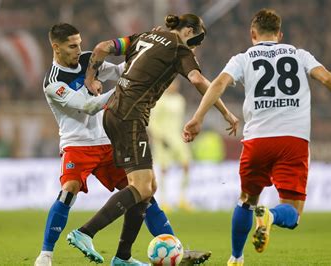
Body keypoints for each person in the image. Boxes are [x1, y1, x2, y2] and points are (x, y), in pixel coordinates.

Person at [182, 9, 331, 266]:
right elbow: (326, 78)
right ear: (280, 34)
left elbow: (219, 84)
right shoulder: (299, 55)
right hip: (293, 140)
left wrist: (198, 117)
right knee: (292, 214)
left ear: (252, 34)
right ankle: (269, 216)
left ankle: (236, 257)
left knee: (246, 200)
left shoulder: (243, 58)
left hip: (257, 140)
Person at [66, 14, 238, 265]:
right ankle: (85, 232)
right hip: (130, 117)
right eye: (198, 40)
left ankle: (123, 257)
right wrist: (225, 112)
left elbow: (103, 47)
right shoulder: (179, 48)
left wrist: (91, 78)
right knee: (142, 187)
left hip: (114, 113)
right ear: (189, 30)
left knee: (148, 188)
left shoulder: (142, 36)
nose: (197, 46)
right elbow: (199, 80)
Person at [34, 23, 207, 266]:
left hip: (108, 140)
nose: (79, 49)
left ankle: (166, 250)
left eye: (80, 43)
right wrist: (126, 92)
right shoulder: (53, 82)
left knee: (143, 192)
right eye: (72, 46)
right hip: (78, 144)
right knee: (69, 189)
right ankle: (46, 255)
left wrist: (149, 52)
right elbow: (88, 106)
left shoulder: (87, 61)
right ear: (56, 47)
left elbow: (119, 71)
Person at [148, 78, 193, 210]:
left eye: (175, 83)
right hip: (163, 139)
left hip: (177, 138)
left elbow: (179, 121)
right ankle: (164, 201)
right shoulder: (159, 100)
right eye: (171, 83)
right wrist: (159, 137)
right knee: (163, 170)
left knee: (186, 164)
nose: (174, 86)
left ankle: (182, 199)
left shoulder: (180, 100)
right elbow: (152, 122)